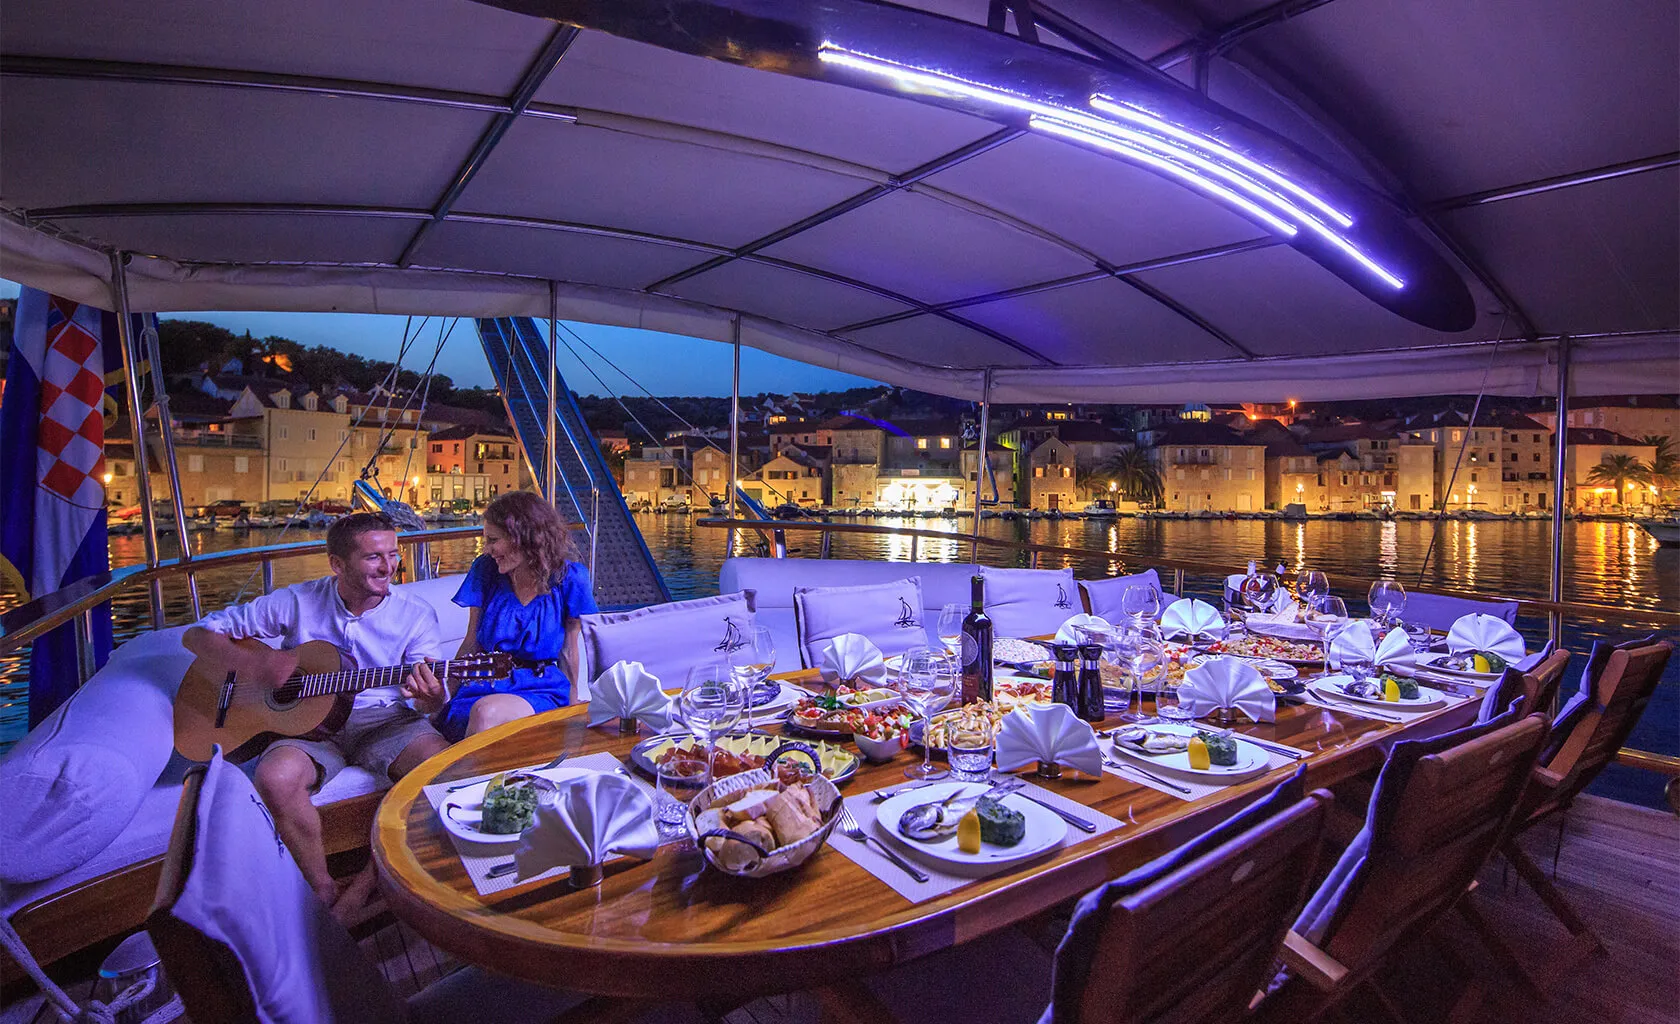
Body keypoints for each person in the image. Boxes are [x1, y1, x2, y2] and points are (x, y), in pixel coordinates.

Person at [181, 512, 446, 921]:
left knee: (442, 772)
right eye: (374, 557)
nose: (389, 566)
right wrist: (256, 666)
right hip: (311, 729)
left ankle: (364, 889)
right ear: (337, 564)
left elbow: (426, 700)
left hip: (385, 721)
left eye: (394, 554)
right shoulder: (297, 600)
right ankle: (321, 888)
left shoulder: (415, 614)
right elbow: (197, 634)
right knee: (274, 777)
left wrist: (430, 700)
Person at [407, 491, 597, 740]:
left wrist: (573, 705)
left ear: (523, 538)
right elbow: (471, 641)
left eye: (494, 540)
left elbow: (569, 648)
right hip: (481, 684)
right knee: (479, 711)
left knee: (487, 713)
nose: (488, 550)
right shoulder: (485, 570)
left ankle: (470, 779)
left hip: (540, 688)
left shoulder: (570, 578)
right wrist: (446, 696)